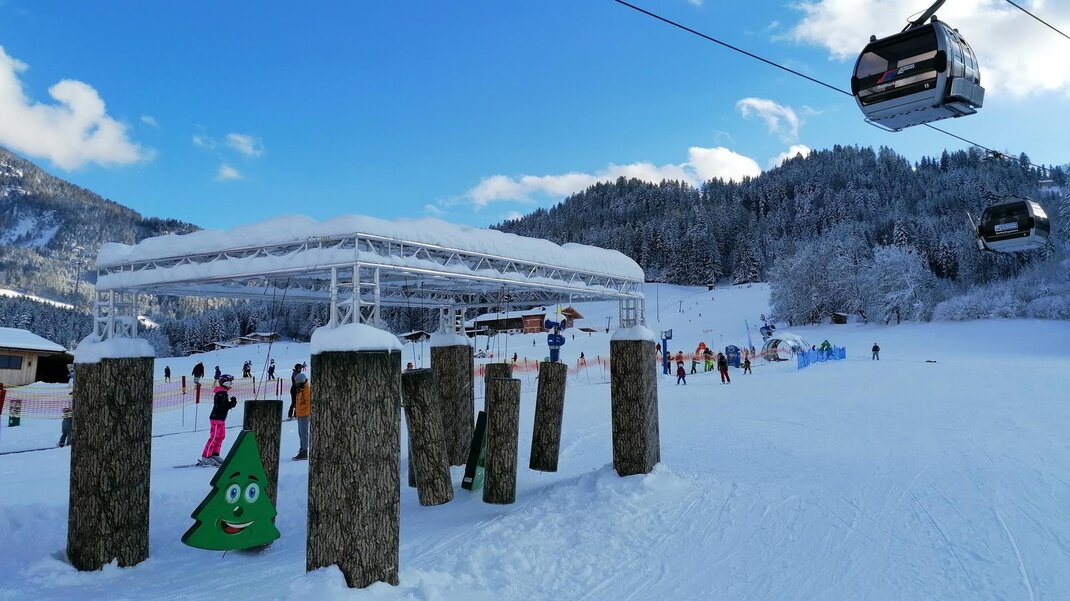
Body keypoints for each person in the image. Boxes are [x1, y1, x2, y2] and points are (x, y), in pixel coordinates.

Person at [198, 374, 237, 466]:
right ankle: (206, 457)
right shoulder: (220, 393)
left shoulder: (223, 392)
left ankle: (214, 454)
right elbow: (220, 407)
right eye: (230, 382)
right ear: (225, 383)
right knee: (214, 437)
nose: (231, 383)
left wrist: (231, 403)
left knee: (221, 436)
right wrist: (231, 404)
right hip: (216, 419)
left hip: (221, 419)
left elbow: (223, 406)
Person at [293, 374, 311, 461]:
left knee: (303, 433)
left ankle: (304, 452)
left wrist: (300, 408)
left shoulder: (306, 389)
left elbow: (308, 402)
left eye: (298, 382)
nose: (296, 384)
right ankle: (302, 449)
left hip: (304, 414)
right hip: (300, 414)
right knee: (301, 433)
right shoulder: (300, 389)